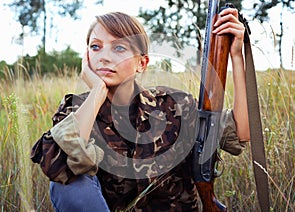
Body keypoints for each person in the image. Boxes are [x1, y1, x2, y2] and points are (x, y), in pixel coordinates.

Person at [31, 8, 250, 212]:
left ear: (141, 63)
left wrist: (237, 57)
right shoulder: (75, 110)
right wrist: (97, 92)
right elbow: (55, 167)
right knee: (68, 183)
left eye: (119, 47)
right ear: (86, 57)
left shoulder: (175, 105)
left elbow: (242, 132)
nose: (104, 56)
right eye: (95, 47)